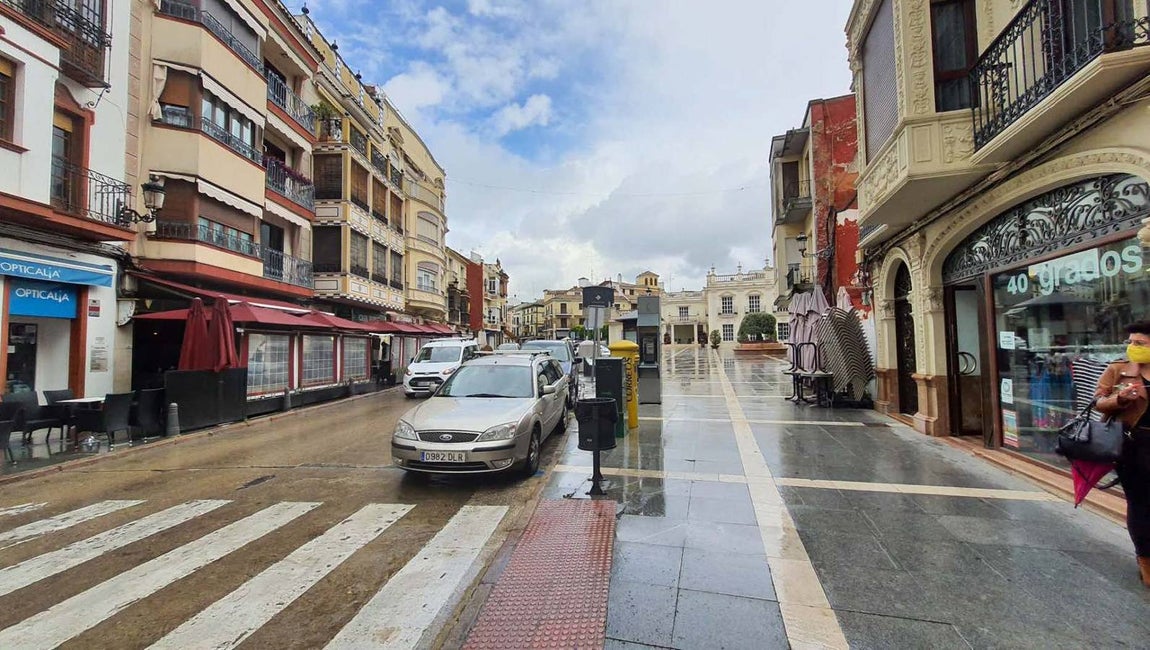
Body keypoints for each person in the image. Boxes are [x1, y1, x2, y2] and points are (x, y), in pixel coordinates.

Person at [1094, 320, 1150, 588]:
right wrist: (1122, 398)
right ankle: (1145, 559)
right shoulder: (1118, 370)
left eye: (1140, 343)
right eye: (1131, 342)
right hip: (1134, 445)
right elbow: (1098, 403)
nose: (1133, 347)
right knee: (1140, 503)